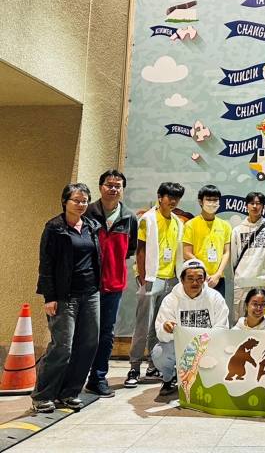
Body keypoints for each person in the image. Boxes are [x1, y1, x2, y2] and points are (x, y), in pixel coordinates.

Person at [31, 184, 102, 413]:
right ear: (65, 201)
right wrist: (50, 297)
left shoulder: (91, 226)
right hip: (64, 296)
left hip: (90, 293)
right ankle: (43, 395)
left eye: (85, 201)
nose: (81, 204)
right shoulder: (54, 228)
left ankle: (69, 392)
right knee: (62, 347)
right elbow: (46, 264)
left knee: (88, 344)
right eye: (76, 200)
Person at [125, 181, 185, 388]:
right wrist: (143, 278)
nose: (173, 201)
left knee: (158, 326)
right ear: (160, 197)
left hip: (171, 279)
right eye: (170, 197)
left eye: (177, 198)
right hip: (151, 278)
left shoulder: (177, 222)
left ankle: (153, 365)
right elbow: (140, 249)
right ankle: (134, 368)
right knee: (143, 325)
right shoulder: (148, 219)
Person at [85, 170, 138, 398]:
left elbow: (130, 249)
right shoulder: (87, 213)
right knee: (83, 333)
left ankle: (97, 378)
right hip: (87, 285)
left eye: (118, 185)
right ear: (100, 187)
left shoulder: (129, 218)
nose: (113, 189)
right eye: (109, 184)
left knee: (106, 334)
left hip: (114, 285)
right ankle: (72, 379)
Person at [152, 259, 229, 397]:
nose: (195, 283)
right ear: (181, 280)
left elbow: (222, 328)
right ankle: (170, 378)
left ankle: (210, 378)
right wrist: (166, 328)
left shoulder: (215, 298)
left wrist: (202, 344)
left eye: (199, 278)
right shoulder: (170, 300)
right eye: (190, 278)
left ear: (205, 279)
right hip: (181, 348)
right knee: (159, 353)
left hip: (207, 347)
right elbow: (160, 334)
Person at [232, 191, 265, 319]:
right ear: (246, 205)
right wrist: (238, 277)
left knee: (263, 321)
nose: (255, 206)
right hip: (241, 284)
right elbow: (233, 260)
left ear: (263, 206)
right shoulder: (237, 230)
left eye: (258, 203)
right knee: (240, 321)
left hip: (263, 283)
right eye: (252, 203)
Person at [182, 185, 232, 297]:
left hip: (218, 279)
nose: (212, 203)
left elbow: (226, 252)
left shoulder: (225, 226)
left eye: (215, 200)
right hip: (196, 278)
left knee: (217, 307)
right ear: (201, 202)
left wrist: (218, 275)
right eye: (208, 200)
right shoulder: (190, 225)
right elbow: (186, 253)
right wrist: (204, 273)